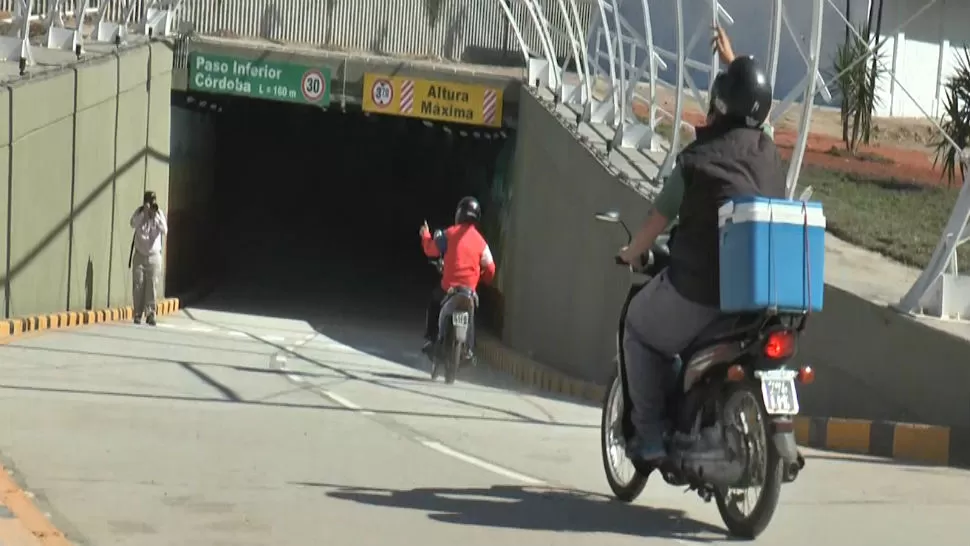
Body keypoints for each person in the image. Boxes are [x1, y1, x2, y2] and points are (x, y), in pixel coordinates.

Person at [615, 27, 787, 462]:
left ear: (718, 106)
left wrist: (631, 253)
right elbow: (754, 110)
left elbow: (658, 219)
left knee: (638, 325)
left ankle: (650, 435)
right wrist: (735, 62)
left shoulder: (696, 161)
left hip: (700, 289)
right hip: (759, 300)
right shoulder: (768, 153)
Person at [419, 196, 497, 359]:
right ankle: (468, 350)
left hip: (449, 287)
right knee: (471, 314)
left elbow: (431, 250)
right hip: (469, 291)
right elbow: (490, 268)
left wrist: (425, 235)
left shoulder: (449, 234)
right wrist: (480, 279)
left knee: (434, 302)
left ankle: (431, 339)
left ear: (459, 214)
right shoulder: (481, 242)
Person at [129, 190, 168, 326]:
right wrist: (144, 215)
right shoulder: (139, 213)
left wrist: (154, 216)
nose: (151, 205)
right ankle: (138, 314)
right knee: (138, 284)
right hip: (140, 255)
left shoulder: (159, 214)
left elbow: (165, 230)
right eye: (149, 203)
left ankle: (151, 314)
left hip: (154, 256)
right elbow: (132, 224)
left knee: (152, 285)